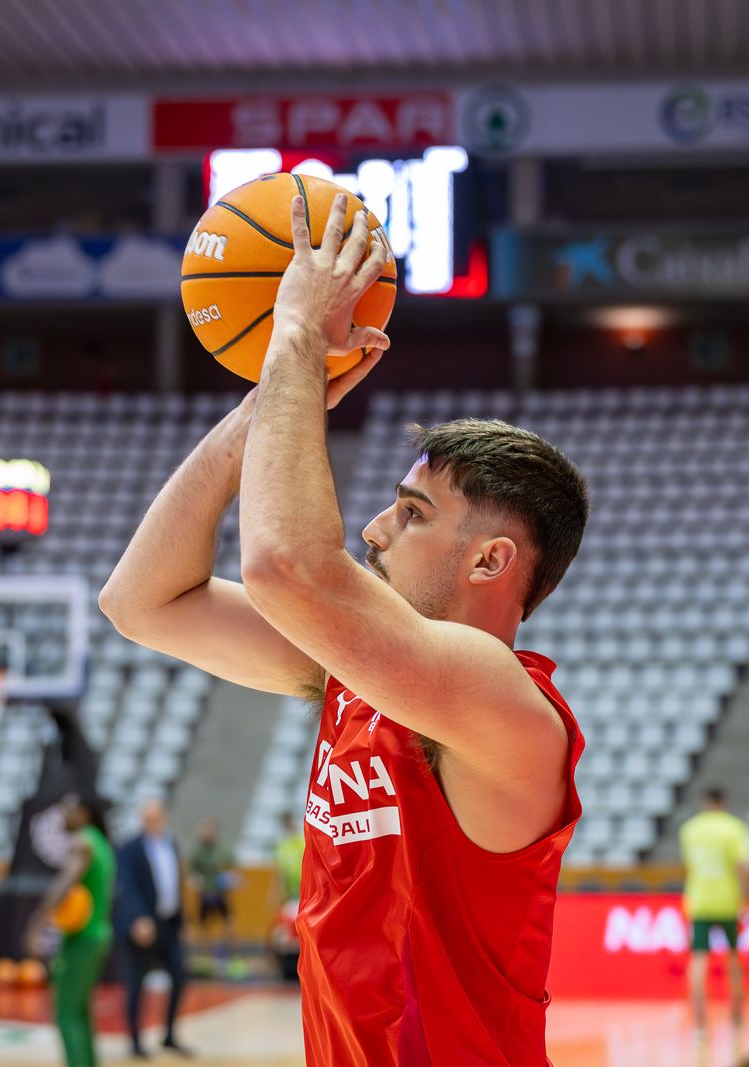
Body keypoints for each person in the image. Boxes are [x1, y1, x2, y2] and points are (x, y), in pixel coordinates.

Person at [100, 190, 591, 1065]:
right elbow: (141, 601)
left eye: (410, 513)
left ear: (489, 562)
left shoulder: (503, 702)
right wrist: (260, 411)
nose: (373, 527)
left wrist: (294, 336)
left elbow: (287, 564)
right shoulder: (356, 675)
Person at [26, 793, 117, 1067]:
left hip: (81, 938)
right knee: (80, 1011)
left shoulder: (82, 843)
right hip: (99, 933)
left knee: (65, 1012)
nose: (62, 816)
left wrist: (36, 924)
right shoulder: (101, 843)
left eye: (68, 810)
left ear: (84, 814)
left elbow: (62, 885)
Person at [115, 799, 191, 1058]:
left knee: (180, 975)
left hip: (168, 923)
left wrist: (182, 920)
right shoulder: (130, 848)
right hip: (143, 925)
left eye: (155, 816)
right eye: (145, 817)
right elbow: (127, 887)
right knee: (137, 982)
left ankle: (169, 1034)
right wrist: (138, 918)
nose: (150, 821)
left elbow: (176, 884)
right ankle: (135, 1040)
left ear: (163, 818)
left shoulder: (171, 844)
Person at [679, 786, 749, 1036]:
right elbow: (742, 866)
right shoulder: (734, 828)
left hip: (700, 901)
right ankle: (737, 1016)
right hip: (728, 902)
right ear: (723, 803)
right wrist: (746, 900)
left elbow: (689, 866)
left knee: (699, 959)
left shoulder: (690, 829)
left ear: (704, 802)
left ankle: (700, 1021)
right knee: (733, 958)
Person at [188, 817, 237, 974]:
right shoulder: (197, 849)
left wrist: (228, 877)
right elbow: (191, 870)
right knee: (202, 924)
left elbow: (233, 866)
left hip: (220, 892)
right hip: (205, 893)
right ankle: (206, 956)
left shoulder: (223, 848)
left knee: (228, 921)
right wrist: (196, 880)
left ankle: (227, 953)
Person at [272, 811, 304, 906]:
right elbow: (279, 870)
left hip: (304, 887)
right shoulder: (282, 845)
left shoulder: (302, 840)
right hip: (290, 890)